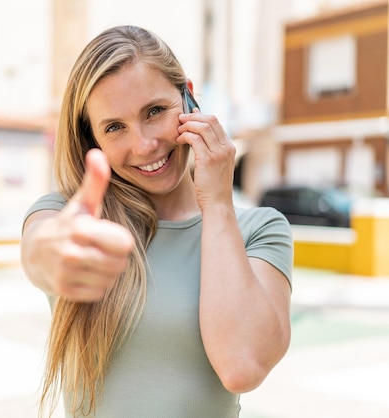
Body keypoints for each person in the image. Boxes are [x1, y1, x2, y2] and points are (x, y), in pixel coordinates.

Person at [21, 25, 293, 417]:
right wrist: (45, 256)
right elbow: (40, 249)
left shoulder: (261, 229)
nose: (145, 144)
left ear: (189, 97)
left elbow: (241, 366)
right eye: (115, 127)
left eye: (155, 111)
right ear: (93, 140)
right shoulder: (73, 217)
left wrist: (216, 201)